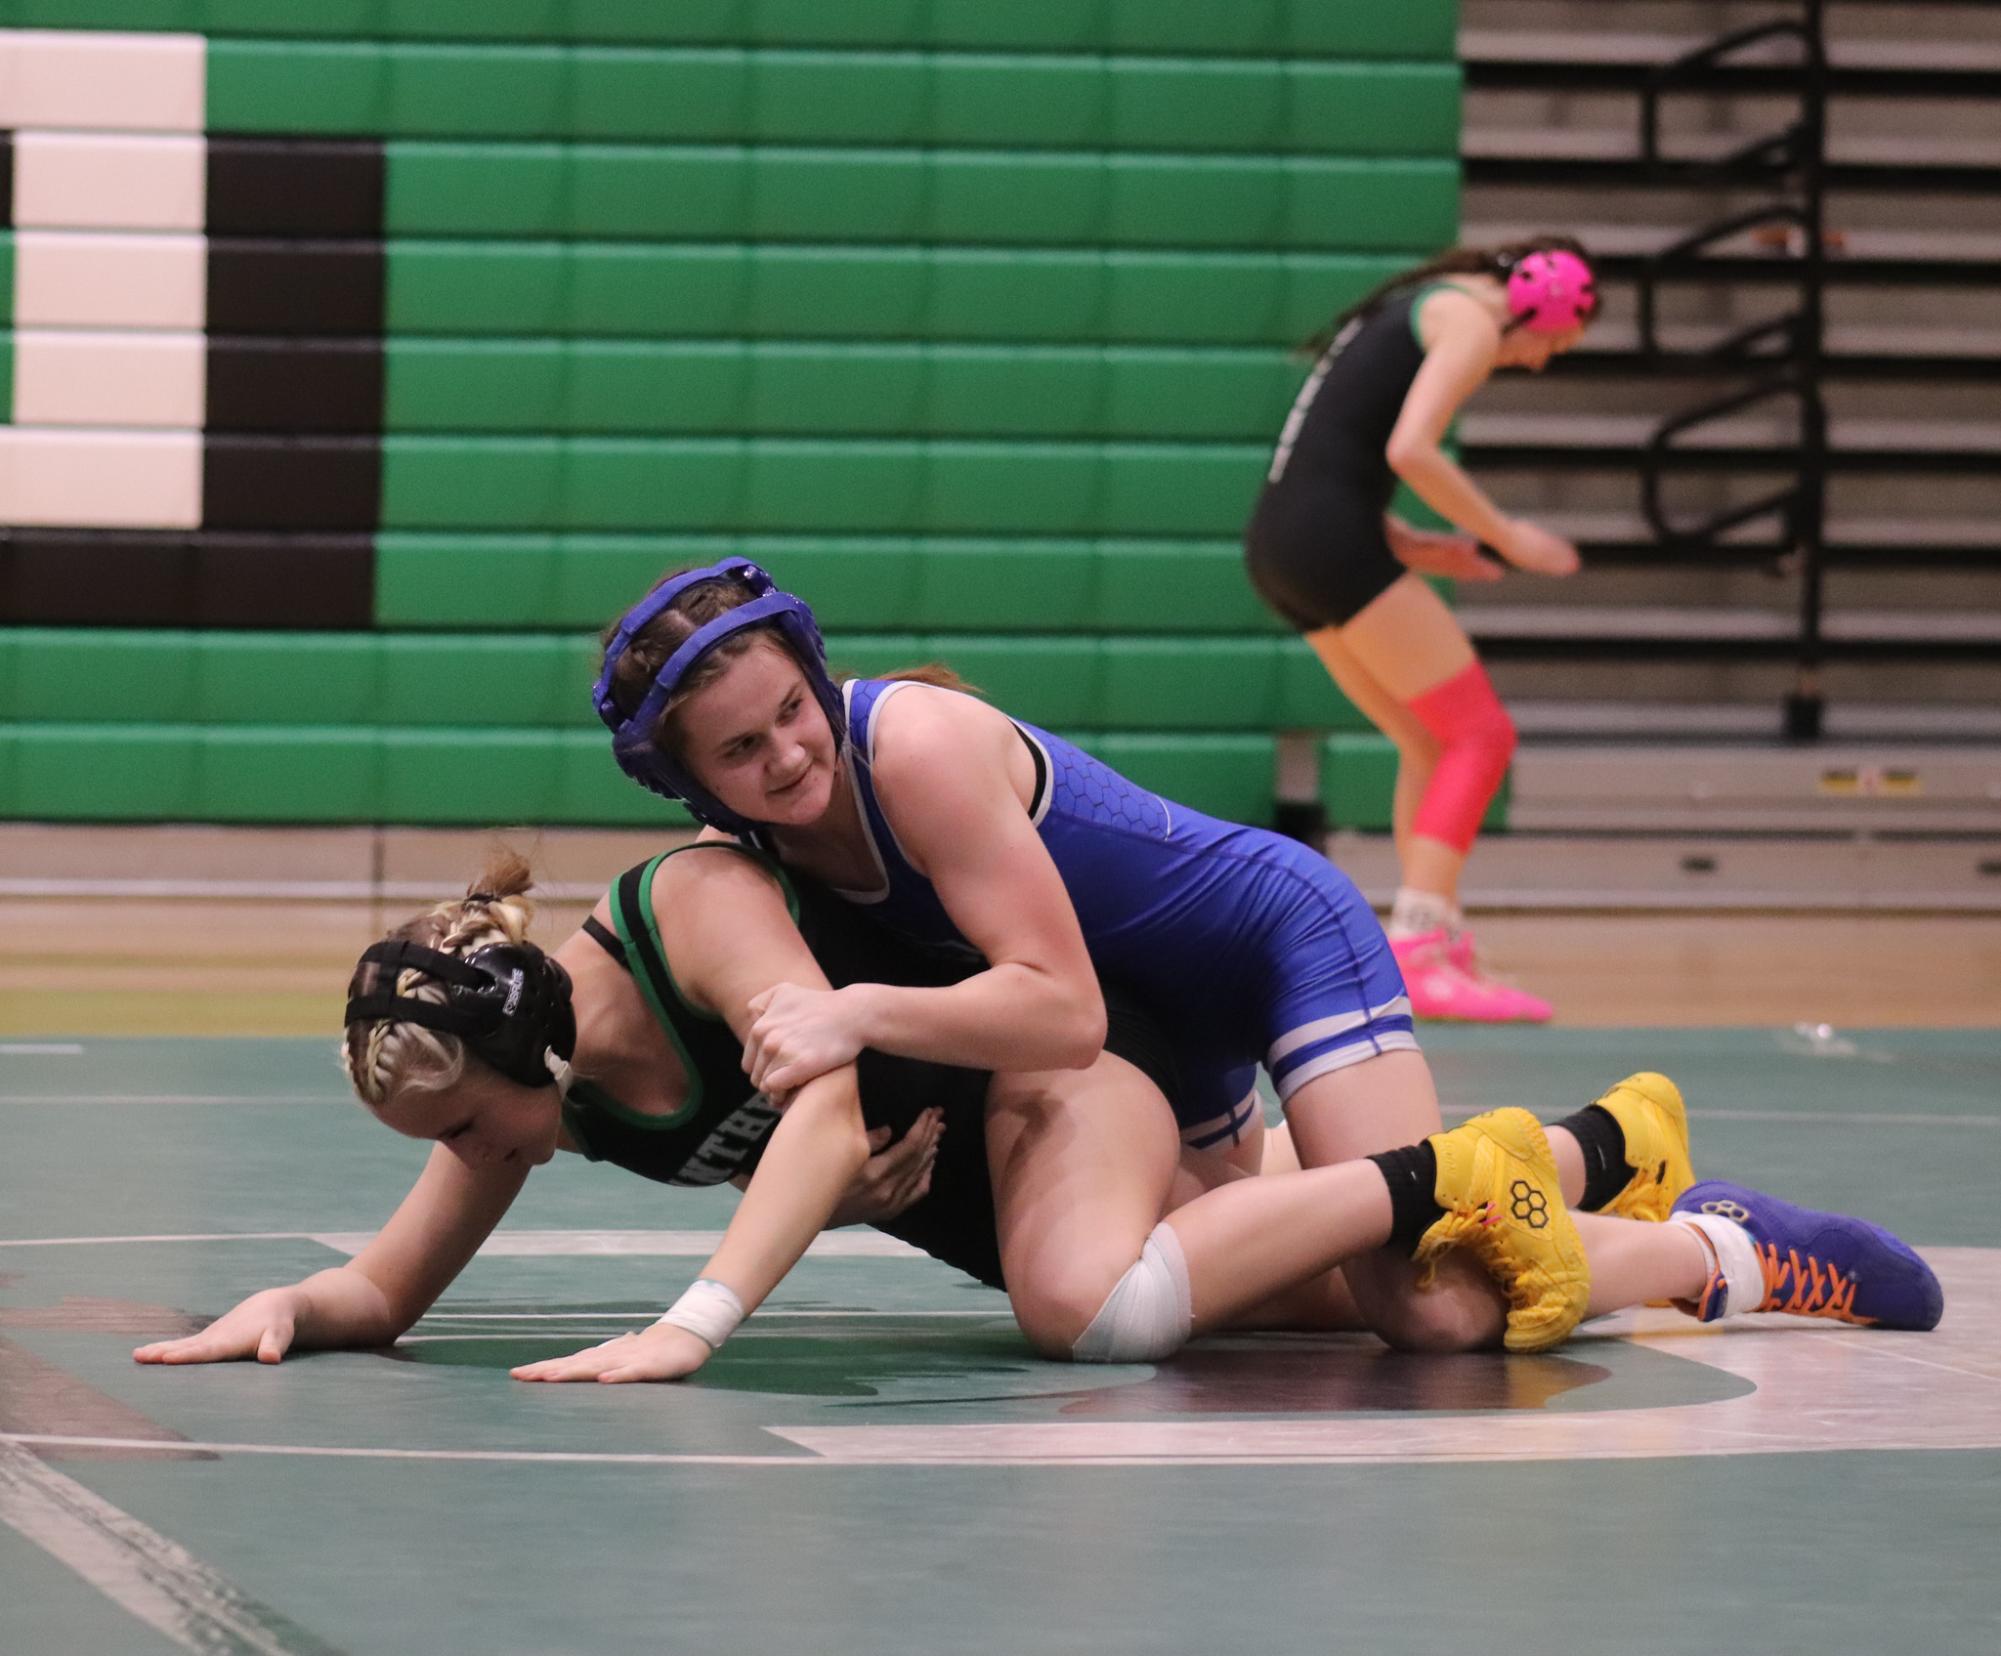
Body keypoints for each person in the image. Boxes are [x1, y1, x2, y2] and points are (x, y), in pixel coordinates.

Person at [585, 561, 1943, 1363]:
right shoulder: (749, 856)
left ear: (817, 674)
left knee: (1421, 1311)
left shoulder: (914, 748)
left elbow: (1054, 1011)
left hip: (1263, 949)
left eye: (788, 713)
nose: (787, 757)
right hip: (1149, 1041)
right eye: (739, 752)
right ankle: (1599, 1151)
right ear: (682, 778)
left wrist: (850, 1010)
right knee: (1261, 1291)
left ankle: (1722, 1249)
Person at [132, 853, 1941, 1383]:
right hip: (1015, 1180)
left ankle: (1472, 1162)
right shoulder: (525, 1090)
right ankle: (1691, 1224)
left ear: (526, 1062)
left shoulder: (687, 912)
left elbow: (831, 1122)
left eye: (468, 1133)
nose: (468, 1171)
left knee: (1097, 1319)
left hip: (1074, 1100)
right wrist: (294, 1308)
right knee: (1439, 1311)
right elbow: (392, 1287)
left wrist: (695, 1323)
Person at [1245, 237, 1601, 1022]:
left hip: (1286, 542)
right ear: (1539, 304)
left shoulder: (1418, 306)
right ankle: (1416, 949)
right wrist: (1510, 536)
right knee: (1481, 736)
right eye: (1555, 345)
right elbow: (1410, 448)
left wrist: (1409, 544)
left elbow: (1336, 451)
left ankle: (1426, 938)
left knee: (1428, 740)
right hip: (1330, 540)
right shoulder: (1469, 319)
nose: (1540, 363)